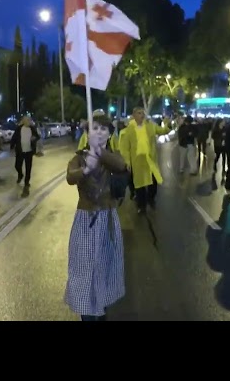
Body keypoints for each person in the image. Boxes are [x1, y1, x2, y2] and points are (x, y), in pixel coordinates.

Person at [65, 114, 128, 321]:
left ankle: (101, 311)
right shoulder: (79, 157)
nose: (99, 132)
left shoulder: (112, 156)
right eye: (95, 128)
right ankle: (87, 315)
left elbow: (121, 166)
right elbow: (70, 177)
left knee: (104, 268)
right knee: (84, 272)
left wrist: (99, 151)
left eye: (104, 129)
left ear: (110, 134)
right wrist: (86, 169)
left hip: (107, 219)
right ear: (86, 133)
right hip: (85, 220)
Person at [120, 107, 170, 214]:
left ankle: (151, 199)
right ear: (134, 115)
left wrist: (168, 124)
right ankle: (141, 206)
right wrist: (127, 162)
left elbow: (163, 131)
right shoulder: (129, 130)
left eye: (143, 113)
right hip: (137, 162)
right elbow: (125, 148)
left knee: (153, 182)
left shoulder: (150, 126)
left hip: (150, 160)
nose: (142, 115)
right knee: (140, 186)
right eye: (139, 113)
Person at [10, 116, 40, 190]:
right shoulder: (19, 129)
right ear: (23, 121)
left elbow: (38, 136)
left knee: (28, 168)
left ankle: (27, 182)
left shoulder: (32, 128)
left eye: (29, 120)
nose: (28, 121)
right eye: (26, 120)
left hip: (29, 151)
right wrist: (12, 146)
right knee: (17, 166)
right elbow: (14, 138)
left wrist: (34, 138)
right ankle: (20, 175)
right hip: (20, 151)